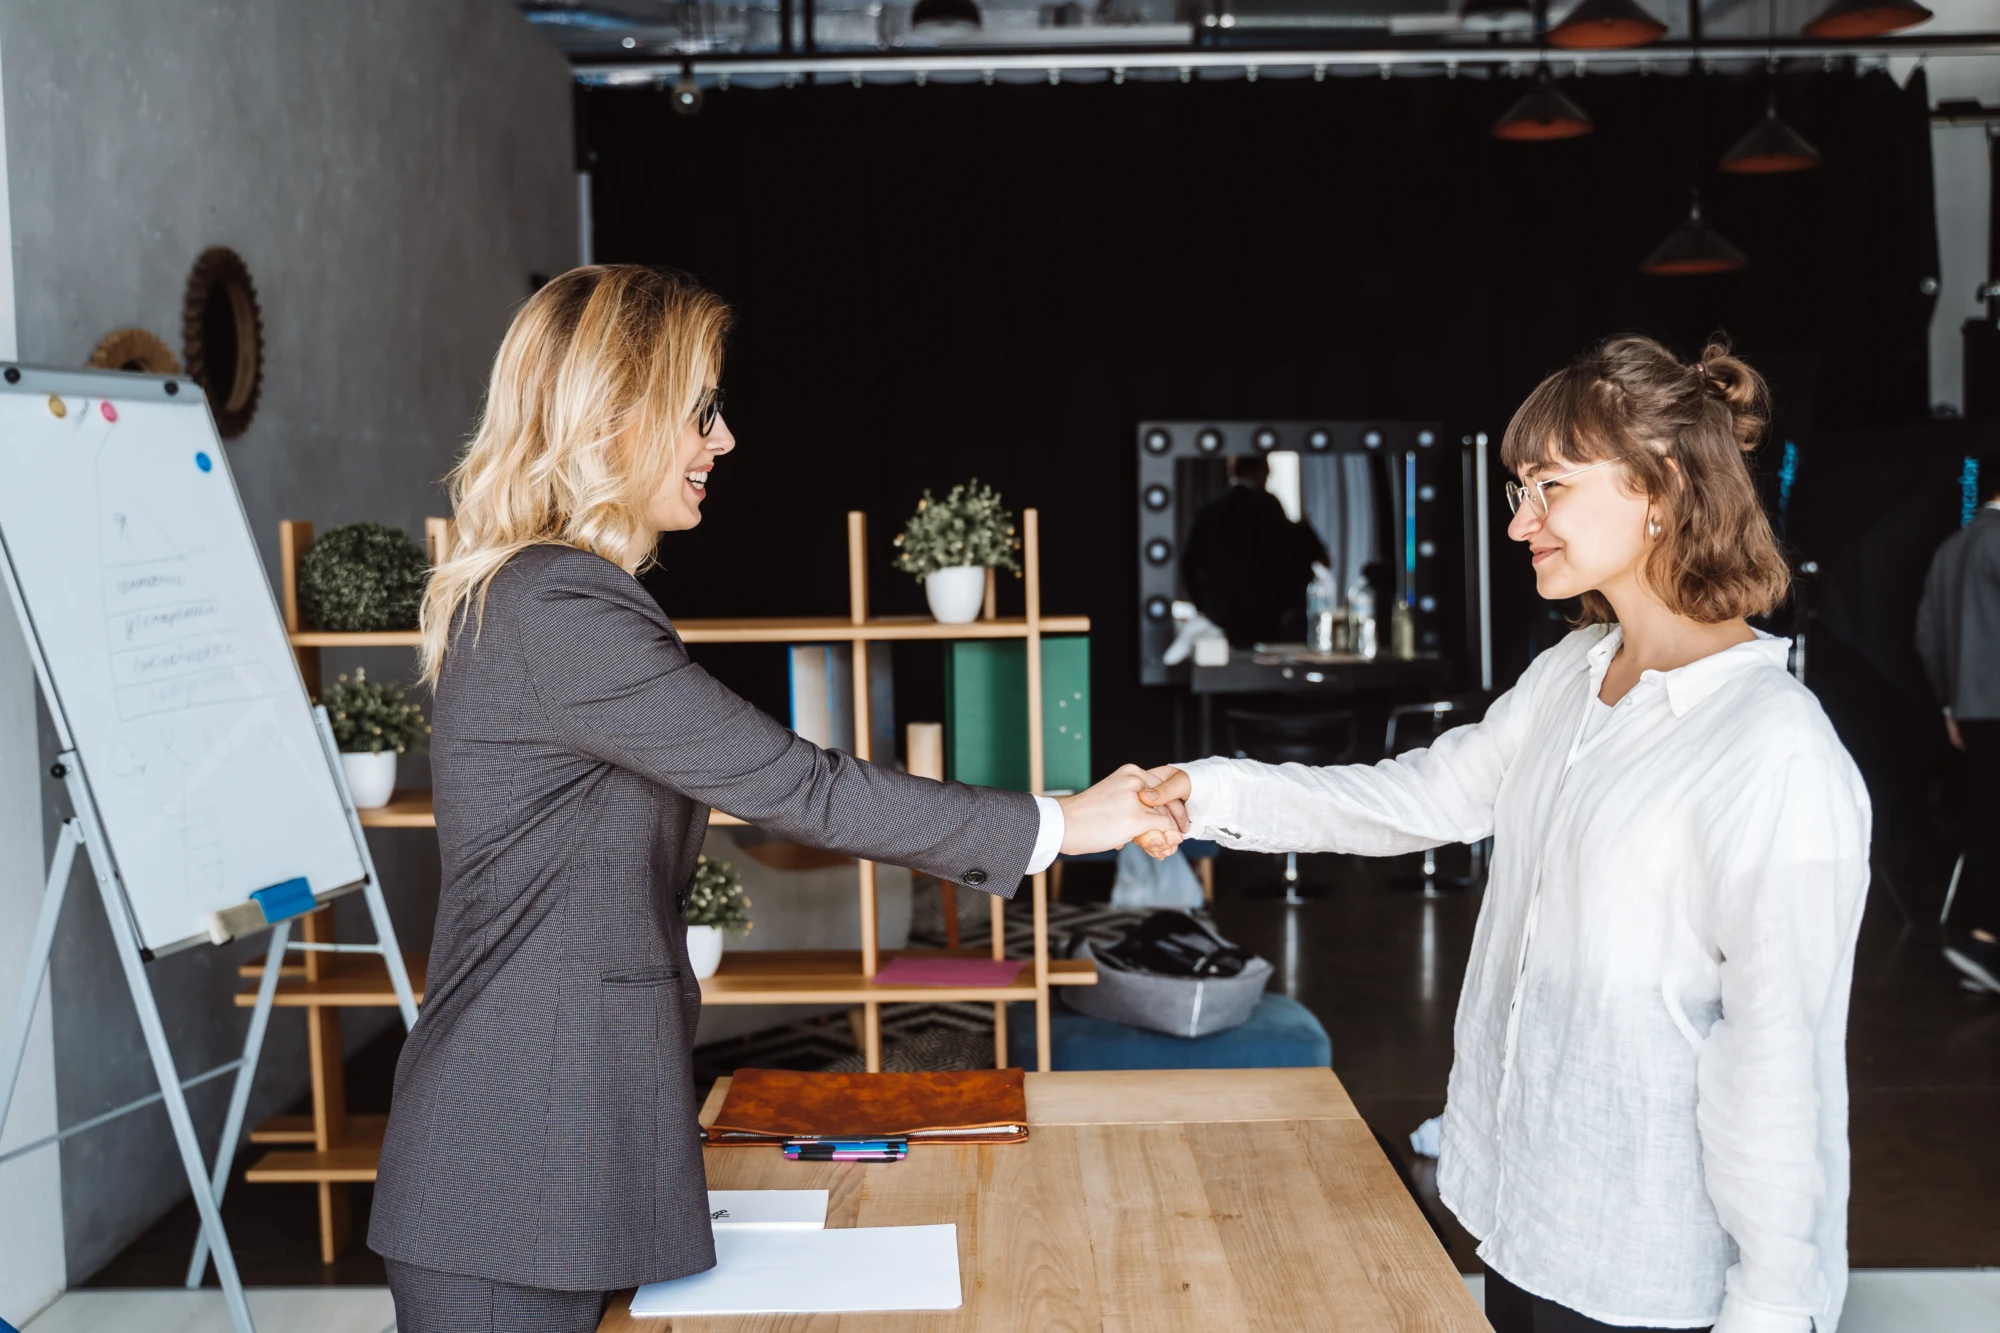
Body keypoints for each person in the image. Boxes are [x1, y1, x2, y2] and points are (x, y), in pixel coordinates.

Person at [366, 266, 1182, 1333]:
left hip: (557, 1146)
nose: (725, 438)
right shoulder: (556, 606)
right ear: (613, 418)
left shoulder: (550, 597)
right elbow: (797, 784)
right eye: (700, 409)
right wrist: (1064, 822)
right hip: (511, 1170)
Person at [1138, 337, 1870, 1333]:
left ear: (1660, 484)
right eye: (1519, 489)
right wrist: (1208, 789)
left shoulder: (1774, 748)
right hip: (1518, 1218)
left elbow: (1779, 1065)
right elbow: (1411, 799)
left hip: (1644, 1269)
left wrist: (1774, 1307)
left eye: (1549, 486)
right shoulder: (1572, 673)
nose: (1521, 520)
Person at [1916, 473, 2000, 994]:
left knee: (1987, 819)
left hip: (1969, 712)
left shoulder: (1951, 548)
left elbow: (1926, 634)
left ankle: (1982, 945)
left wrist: (1950, 706)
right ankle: (1985, 942)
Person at [1179, 453, 1329, 646]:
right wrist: (1290, 604)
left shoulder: (1209, 511)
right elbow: (1281, 559)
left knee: (1227, 660)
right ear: (1262, 471)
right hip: (1264, 612)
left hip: (1222, 614)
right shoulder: (1266, 504)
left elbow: (1188, 565)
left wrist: (1203, 606)